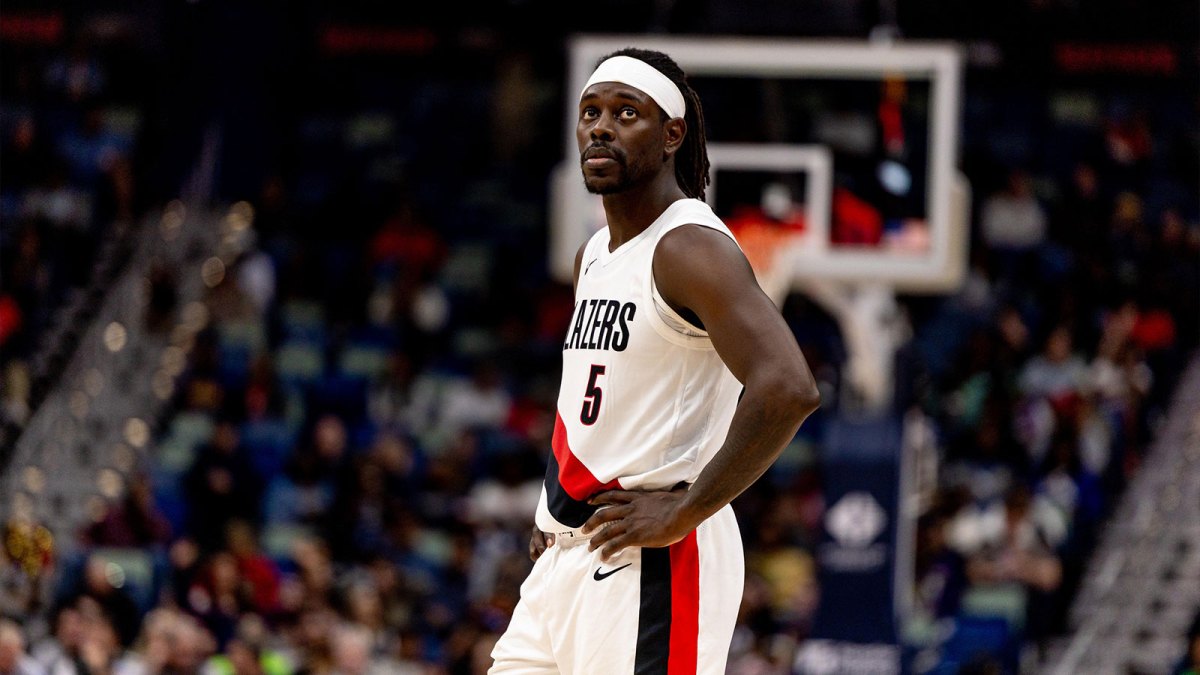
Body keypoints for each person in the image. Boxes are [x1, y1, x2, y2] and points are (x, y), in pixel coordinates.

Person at [488, 48, 820, 675]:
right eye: (590, 112)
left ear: (672, 135)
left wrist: (686, 510)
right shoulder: (595, 254)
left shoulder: (688, 246)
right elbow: (598, 404)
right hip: (568, 557)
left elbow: (788, 386)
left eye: (626, 113)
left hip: (653, 558)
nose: (601, 127)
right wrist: (558, 507)